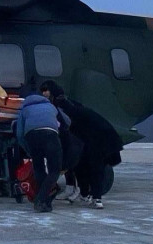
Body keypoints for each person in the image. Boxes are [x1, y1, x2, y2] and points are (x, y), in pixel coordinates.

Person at [39, 79, 123, 210]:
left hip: (96, 138)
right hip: (98, 137)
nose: (43, 93)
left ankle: (90, 196)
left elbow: (66, 124)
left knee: (89, 167)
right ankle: (92, 196)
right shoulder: (68, 103)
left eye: (45, 90)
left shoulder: (61, 106)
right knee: (90, 167)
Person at [13, 93, 69, 212]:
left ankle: (43, 199)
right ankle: (41, 199)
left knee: (39, 169)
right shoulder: (51, 107)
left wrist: (28, 149)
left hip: (32, 136)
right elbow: (67, 122)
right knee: (54, 170)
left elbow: (19, 134)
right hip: (50, 135)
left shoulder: (25, 109)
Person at [39, 80, 82, 203]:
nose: (44, 93)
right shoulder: (54, 101)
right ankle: (70, 188)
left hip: (71, 134)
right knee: (67, 163)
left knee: (72, 162)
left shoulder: (60, 102)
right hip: (63, 135)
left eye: (45, 90)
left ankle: (78, 189)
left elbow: (66, 120)